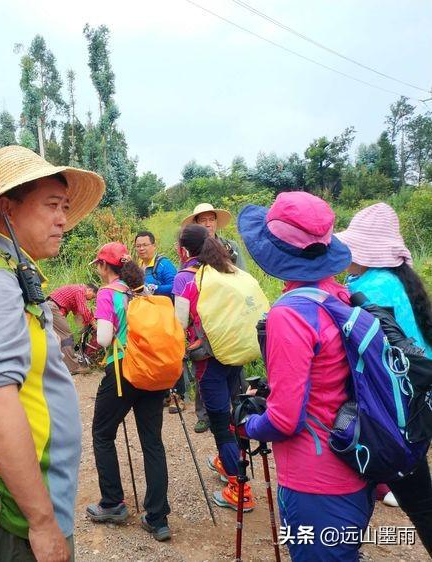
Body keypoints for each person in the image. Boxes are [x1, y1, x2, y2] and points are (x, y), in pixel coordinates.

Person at [0, 145, 104, 560]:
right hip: (13, 514)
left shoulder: (5, 274)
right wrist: (42, 523)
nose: (63, 219)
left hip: (20, 505)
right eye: (51, 205)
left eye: (65, 206)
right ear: (8, 209)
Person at [237, 191, 373, 562]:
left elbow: (284, 420)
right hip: (357, 468)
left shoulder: (290, 314)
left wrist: (249, 424)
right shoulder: (341, 298)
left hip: (315, 481)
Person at [335, 202, 432, 554]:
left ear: (366, 252)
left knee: (420, 504)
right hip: (415, 405)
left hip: (393, 415)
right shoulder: (395, 280)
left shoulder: (370, 290)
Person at [85, 241, 172, 542]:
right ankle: (157, 517)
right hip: (152, 369)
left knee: (102, 432)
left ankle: (113, 503)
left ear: (104, 266)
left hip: (123, 369)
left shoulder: (108, 293)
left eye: (98, 264)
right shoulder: (142, 290)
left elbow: (105, 338)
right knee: (152, 441)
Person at [171, 224, 254, 512]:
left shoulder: (185, 278)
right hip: (236, 351)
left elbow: (179, 323)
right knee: (232, 412)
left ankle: (239, 488)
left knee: (219, 421)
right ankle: (226, 460)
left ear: (184, 250)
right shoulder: (226, 269)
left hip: (208, 358)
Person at [182, 203, 246, 431]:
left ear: (216, 222)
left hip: (230, 313)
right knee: (205, 363)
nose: (208, 224)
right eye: (203, 220)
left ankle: (239, 409)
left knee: (235, 361)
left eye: (211, 219)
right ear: (197, 225)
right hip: (204, 315)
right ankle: (204, 414)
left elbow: (242, 278)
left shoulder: (231, 247)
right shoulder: (191, 252)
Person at [46, 283, 97, 374]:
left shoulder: (77, 290)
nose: (90, 299)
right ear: (89, 290)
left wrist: (84, 327)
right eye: (92, 296)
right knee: (66, 336)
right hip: (54, 308)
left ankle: (55, 364)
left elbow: (77, 314)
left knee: (54, 337)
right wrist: (94, 325)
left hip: (50, 306)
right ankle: (73, 367)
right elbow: (83, 310)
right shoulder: (80, 290)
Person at [134, 231, 176, 298]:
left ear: (154, 246)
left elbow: (175, 286)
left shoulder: (164, 264)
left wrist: (154, 289)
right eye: (138, 246)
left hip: (160, 307)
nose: (141, 249)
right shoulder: (138, 265)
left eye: (145, 245)